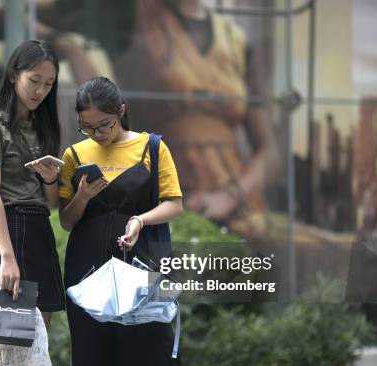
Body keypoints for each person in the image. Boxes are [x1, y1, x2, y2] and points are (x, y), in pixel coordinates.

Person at [58, 77, 192, 366]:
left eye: (105, 124)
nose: (98, 134)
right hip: (88, 269)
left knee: (153, 363)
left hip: (143, 263)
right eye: (87, 127)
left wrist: (140, 220)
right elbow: (67, 220)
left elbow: (174, 204)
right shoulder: (74, 154)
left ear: (122, 111)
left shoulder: (153, 147)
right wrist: (83, 196)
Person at [114, 0, 280, 237]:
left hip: (237, 202)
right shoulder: (136, 21)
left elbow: (270, 152)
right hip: (166, 194)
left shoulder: (237, 42)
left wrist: (231, 196)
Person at [0, 40, 65, 366]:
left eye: (49, 83)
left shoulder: (42, 129)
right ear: (13, 75)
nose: (41, 90)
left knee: (29, 348)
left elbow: (53, 204)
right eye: (34, 80)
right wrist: (6, 257)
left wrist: (48, 178)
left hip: (39, 232)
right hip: (6, 234)